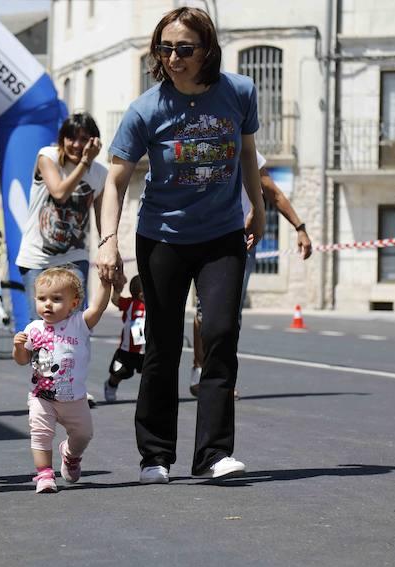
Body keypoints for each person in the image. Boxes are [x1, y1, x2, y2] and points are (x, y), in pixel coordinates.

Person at [97, 7, 265, 484]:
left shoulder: (239, 93)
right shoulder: (146, 108)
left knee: (219, 336)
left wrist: (259, 205)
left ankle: (212, 454)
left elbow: (248, 152)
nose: (174, 58)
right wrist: (109, 241)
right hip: (162, 239)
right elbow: (115, 182)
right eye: (165, 49)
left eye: (184, 49)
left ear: (206, 49)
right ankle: (155, 455)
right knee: (162, 346)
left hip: (223, 237)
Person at [190, 154, 312, 397]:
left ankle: (222, 375)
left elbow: (273, 192)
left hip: (241, 242)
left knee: (230, 313)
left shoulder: (248, 154)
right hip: (205, 240)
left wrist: (300, 228)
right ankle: (200, 366)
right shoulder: (205, 148)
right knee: (204, 311)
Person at [12, 266, 111, 493]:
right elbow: (21, 360)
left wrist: (105, 284)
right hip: (41, 396)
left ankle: (70, 454)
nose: (47, 304)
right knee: (40, 433)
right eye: (42, 298)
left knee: (84, 434)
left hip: (74, 399)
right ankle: (45, 474)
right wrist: (18, 347)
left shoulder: (79, 323)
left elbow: (97, 307)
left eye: (56, 299)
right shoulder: (33, 328)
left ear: (73, 304)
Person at [15, 112, 108, 326]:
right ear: (62, 139)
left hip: (75, 256)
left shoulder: (100, 174)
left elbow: (103, 218)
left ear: (95, 142)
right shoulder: (48, 157)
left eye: (84, 139)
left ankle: (70, 361)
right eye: (71, 138)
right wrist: (84, 162)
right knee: (40, 325)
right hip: (38, 258)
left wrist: (109, 252)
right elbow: (59, 193)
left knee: (74, 323)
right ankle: (40, 361)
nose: (76, 144)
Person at [103, 274, 144, 403]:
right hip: (127, 350)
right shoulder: (130, 303)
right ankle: (110, 386)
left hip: (146, 350)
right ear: (141, 295)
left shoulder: (155, 305)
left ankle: (151, 396)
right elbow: (115, 300)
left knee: (152, 374)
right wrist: (117, 289)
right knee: (119, 372)